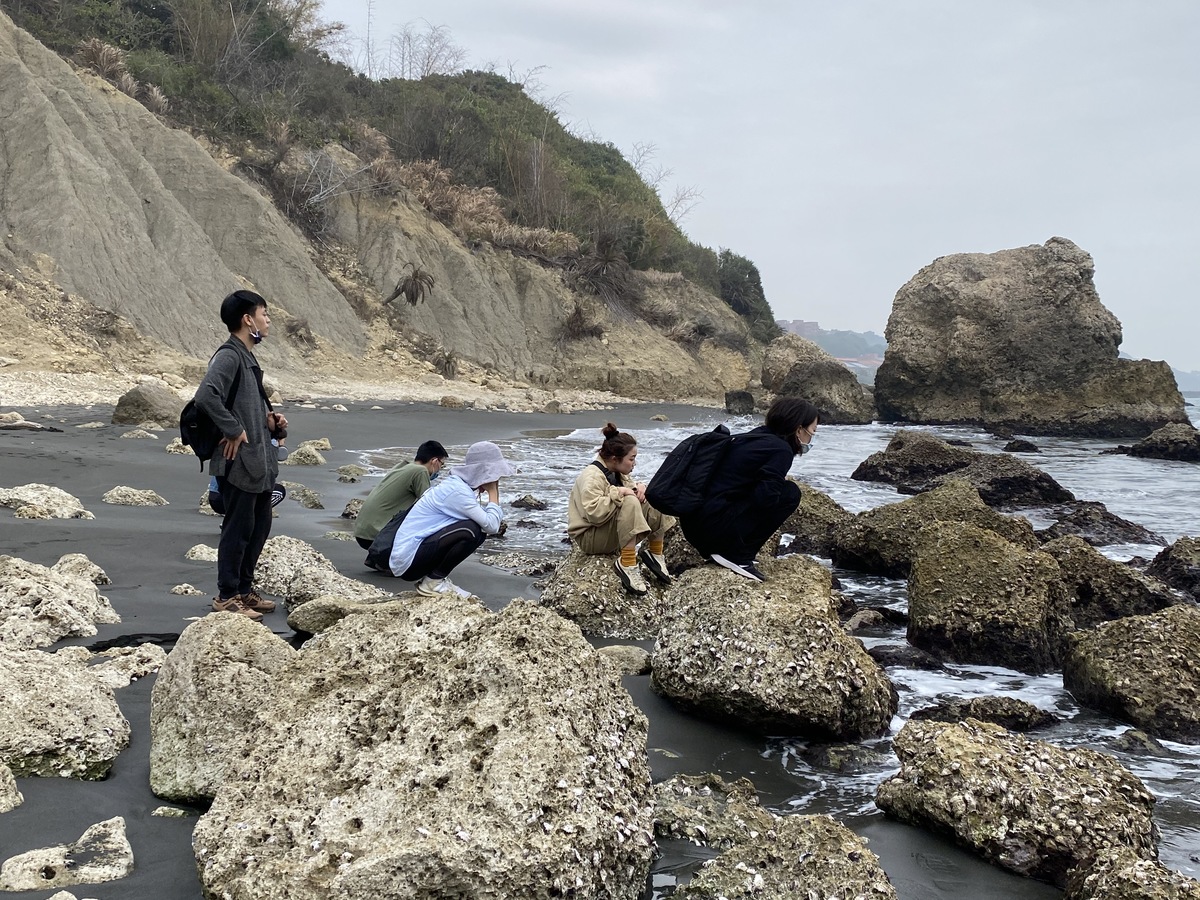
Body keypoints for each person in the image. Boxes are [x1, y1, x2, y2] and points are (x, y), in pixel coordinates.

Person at [194, 289, 288, 621]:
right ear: (248, 320)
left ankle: (244, 590)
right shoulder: (230, 355)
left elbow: (244, 407)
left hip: (258, 463)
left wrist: (270, 422)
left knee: (258, 527)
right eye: (264, 314)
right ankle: (226, 595)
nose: (268, 320)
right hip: (238, 463)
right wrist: (233, 429)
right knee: (238, 529)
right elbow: (205, 395)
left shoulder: (248, 358)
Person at [678, 397, 818, 583]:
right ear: (799, 429)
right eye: (812, 432)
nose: (811, 438)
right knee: (790, 493)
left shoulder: (756, 436)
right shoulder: (781, 450)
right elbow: (765, 499)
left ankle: (728, 551)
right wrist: (776, 483)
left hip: (695, 525)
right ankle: (737, 556)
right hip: (713, 529)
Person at [386, 441, 515, 598]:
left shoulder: (458, 486)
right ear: (483, 472)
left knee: (476, 529)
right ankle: (433, 582)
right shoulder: (457, 491)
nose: (495, 479)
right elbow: (492, 526)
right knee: (471, 530)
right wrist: (493, 491)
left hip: (409, 556)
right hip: (407, 561)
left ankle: (436, 578)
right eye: (494, 475)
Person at [567, 423, 676, 596]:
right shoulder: (592, 476)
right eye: (631, 459)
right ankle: (627, 563)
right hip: (589, 537)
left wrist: (640, 488)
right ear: (614, 458)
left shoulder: (617, 472)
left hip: (603, 530)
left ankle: (655, 552)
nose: (634, 463)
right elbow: (593, 514)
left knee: (651, 496)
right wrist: (619, 493)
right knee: (630, 501)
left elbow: (630, 489)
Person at [353, 440, 449, 549]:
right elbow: (428, 505)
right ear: (435, 461)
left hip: (362, 532)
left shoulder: (402, 466)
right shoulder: (420, 471)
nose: (441, 468)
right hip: (377, 536)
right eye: (442, 464)